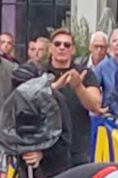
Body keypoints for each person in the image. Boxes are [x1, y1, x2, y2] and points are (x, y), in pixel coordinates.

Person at [38, 27, 103, 166]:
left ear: (73, 49)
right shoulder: (38, 72)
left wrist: (79, 87)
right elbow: (28, 101)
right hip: (44, 149)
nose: (62, 48)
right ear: (50, 48)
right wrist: (56, 86)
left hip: (76, 148)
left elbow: (95, 105)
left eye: (67, 45)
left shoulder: (85, 73)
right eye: (57, 44)